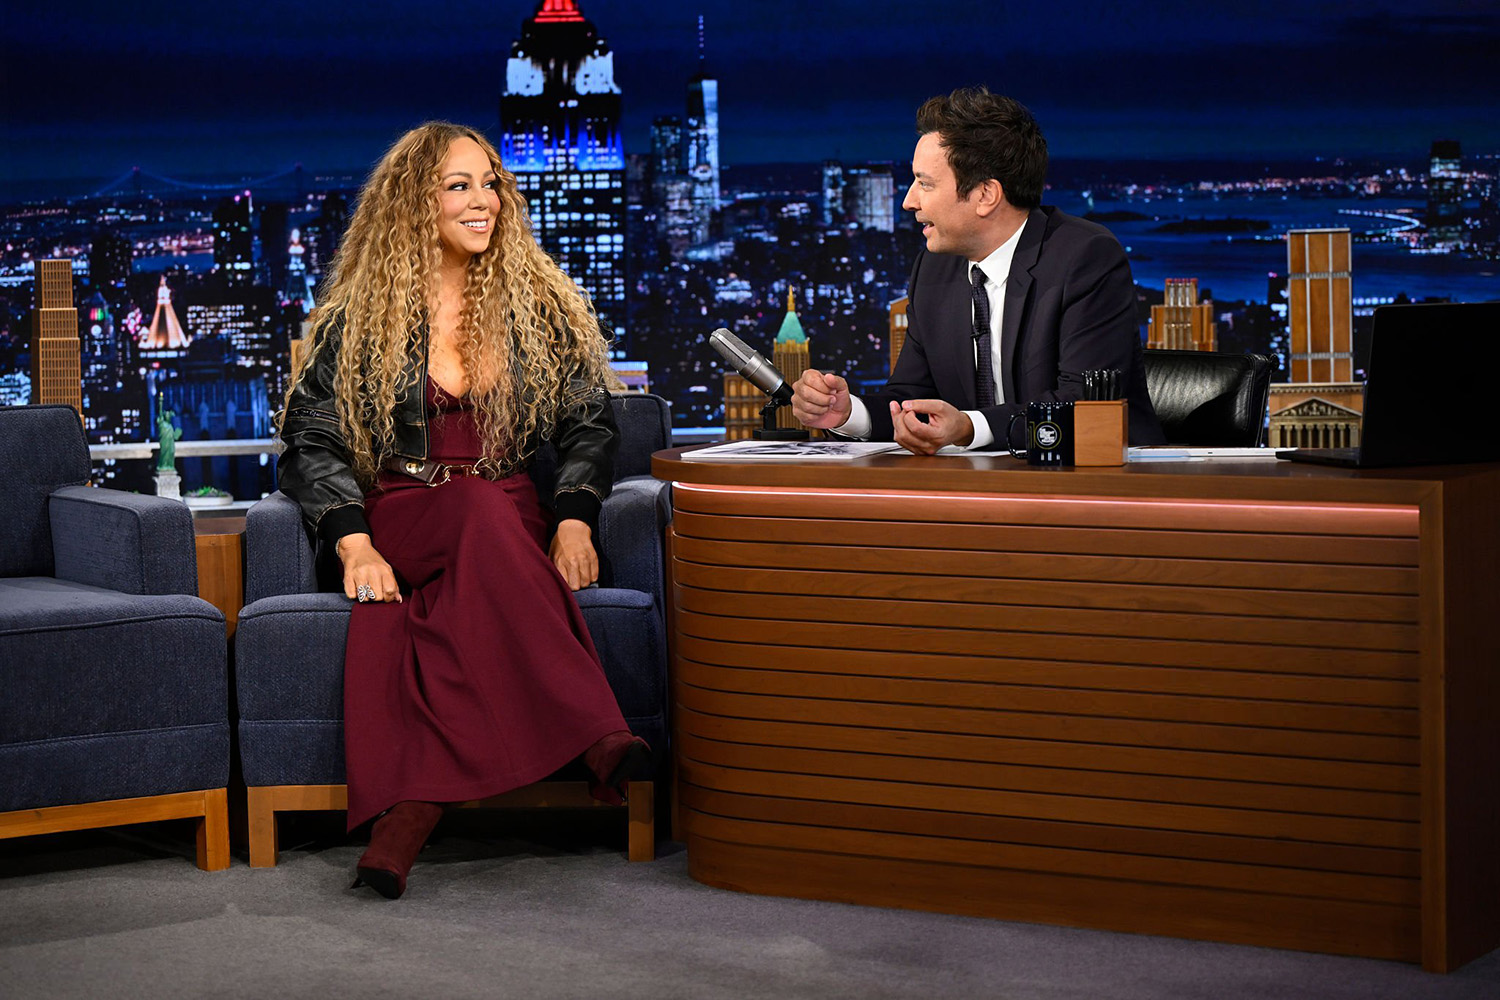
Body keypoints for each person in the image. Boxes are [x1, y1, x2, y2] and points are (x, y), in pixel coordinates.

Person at [277, 121, 650, 900]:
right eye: (459, 186)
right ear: (416, 203)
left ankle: (409, 815)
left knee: (456, 574)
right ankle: (594, 729)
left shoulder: (537, 307)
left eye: (490, 184)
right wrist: (353, 544)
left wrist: (573, 518)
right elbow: (311, 438)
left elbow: (589, 423)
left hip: (506, 505)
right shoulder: (358, 317)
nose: (483, 201)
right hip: (404, 506)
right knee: (476, 509)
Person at [793, 88, 1165, 453]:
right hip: (982, 483)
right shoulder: (933, 269)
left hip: (1102, 478)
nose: (908, 201)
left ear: (985, 195)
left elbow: (1083, 404)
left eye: (925, 184)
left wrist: (969, 428)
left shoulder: (1084, 258)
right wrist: (848, 414)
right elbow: (912, 398)